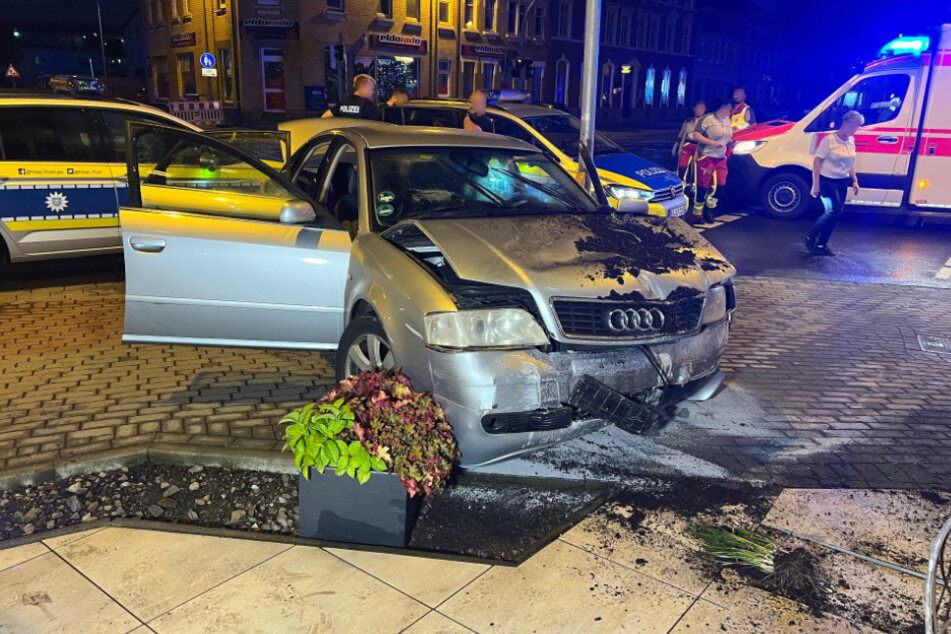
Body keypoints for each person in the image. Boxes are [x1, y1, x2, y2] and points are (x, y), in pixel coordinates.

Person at [804, 110, 863, 256]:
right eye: (855, 126)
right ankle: (810, 237)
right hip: (827, 180)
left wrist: (854, 180)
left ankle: (822, 244)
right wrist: (816, 184)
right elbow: (817, 161)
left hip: (842, 181)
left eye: (858, 127)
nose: (856, 130)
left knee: (836, 213)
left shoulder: (851, 141)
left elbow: (851, 163)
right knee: (832, 211)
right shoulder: (830, 140)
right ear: (846, 123)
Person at [689, 100, 733, 222]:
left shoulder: (727, 119)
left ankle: (709, 207)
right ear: (721, 106)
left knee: (720, 186)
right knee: (702, 186)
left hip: (721, 157)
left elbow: (726, 136)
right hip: (706, 156)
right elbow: (696, 135)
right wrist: (712, 143)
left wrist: (729, 142)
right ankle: (698, 213)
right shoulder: (707, 118)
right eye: (728, 108)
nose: (729, 111)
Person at [673, 99, 706, 177]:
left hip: (699, 147)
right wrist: (676, 144)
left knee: (696, 168)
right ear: (694, 108)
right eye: (698, 107)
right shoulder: (688, 121)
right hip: (687, 145)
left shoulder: (707, 122)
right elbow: (681, 134)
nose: (700, 110)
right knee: (682, 166)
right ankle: (681, 182)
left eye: (702, 108)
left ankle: (693, 185)